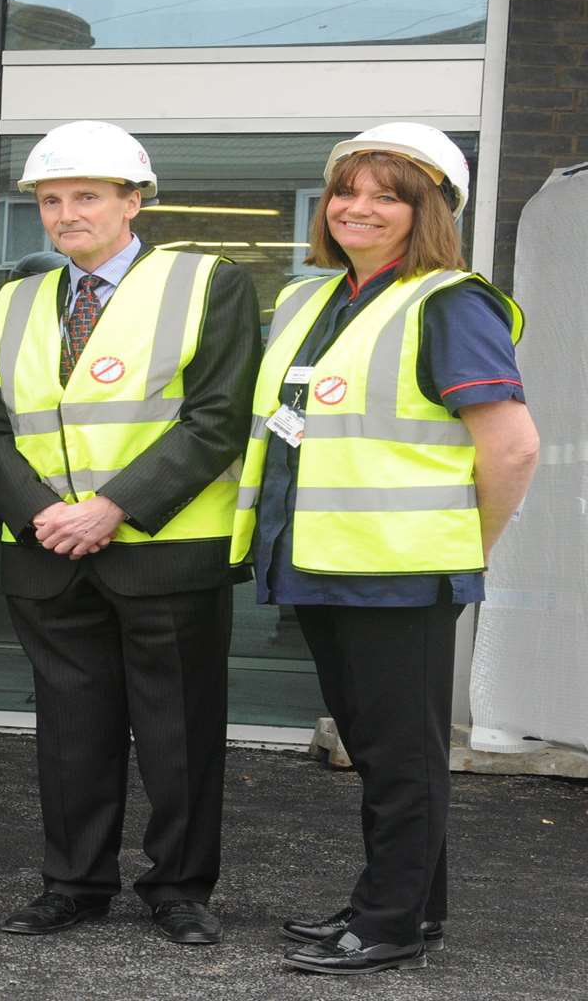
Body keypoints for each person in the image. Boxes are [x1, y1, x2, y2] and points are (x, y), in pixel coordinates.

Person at [232, 123, 538, 976]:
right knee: (376, 748)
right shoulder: (310, 298)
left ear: (428, 209)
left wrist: (463, 545)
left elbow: (511, 447)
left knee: (402, 756)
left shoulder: (449, 301)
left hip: (400, 570)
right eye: (346, 190)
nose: (357, 207)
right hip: (321, 557)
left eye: (387, 194)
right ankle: (408, 903)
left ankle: (390, 921)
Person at [0, 120, 261, 945]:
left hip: (165, 550)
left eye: (87, 196)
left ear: (134, 201)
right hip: (49, 554)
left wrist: (112, 508)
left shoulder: (208, 283)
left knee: (180, 735)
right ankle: (74, 883)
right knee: (69, 734)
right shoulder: (14, 298)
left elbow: (216, 420)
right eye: (51, 200)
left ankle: (179, 889)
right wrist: (39, 515)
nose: (66, 214)